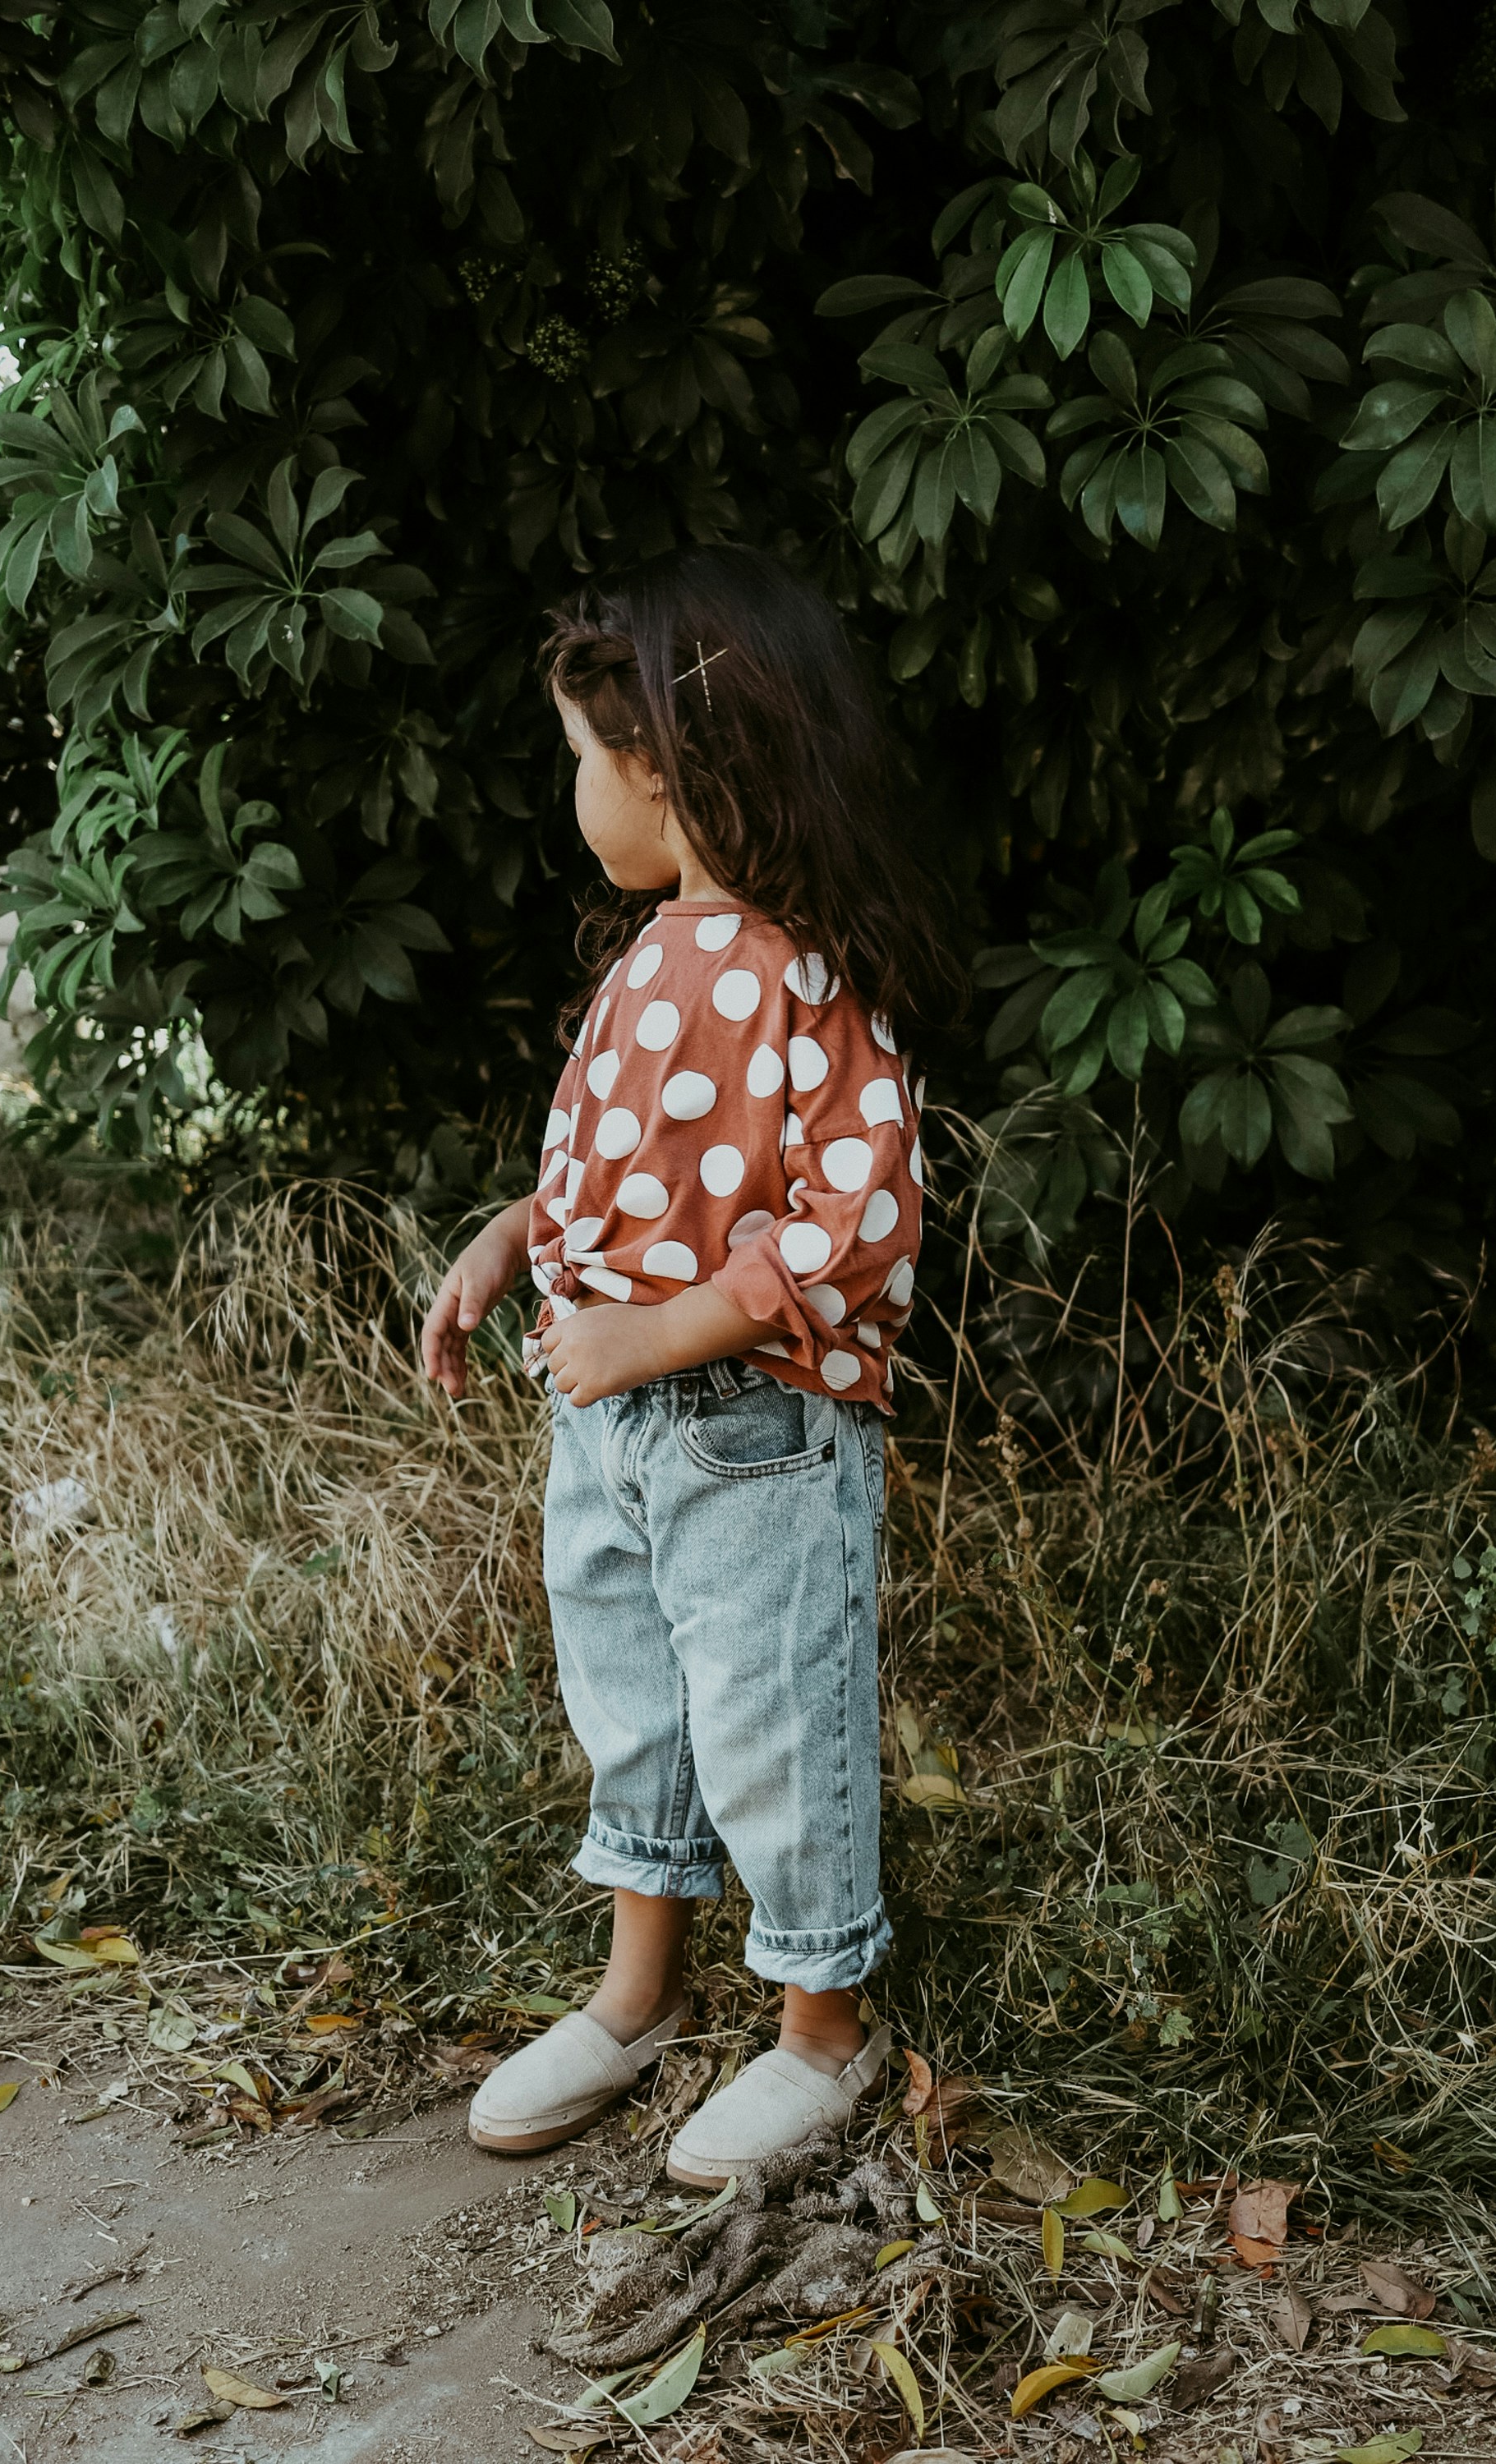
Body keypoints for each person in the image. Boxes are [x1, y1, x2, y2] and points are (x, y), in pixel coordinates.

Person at [419, 543, 960, 2187]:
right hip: (608, 1432)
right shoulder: (656, 954)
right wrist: (514, 1240)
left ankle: (820, 2031)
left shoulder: (807, 972)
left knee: (770, 1721)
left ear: (680, 776)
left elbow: (854, 1218)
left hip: (750, 1434)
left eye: (588, 762)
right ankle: (636, 1993)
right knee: (633, 1706)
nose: (575, 793)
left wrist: (667, 1328)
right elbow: (642, 1175)